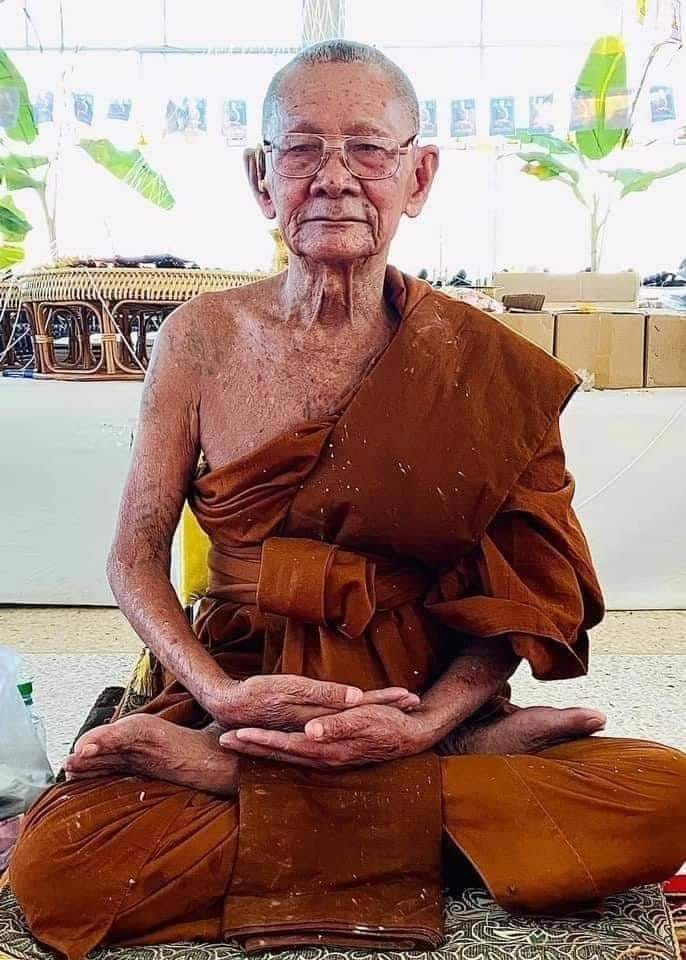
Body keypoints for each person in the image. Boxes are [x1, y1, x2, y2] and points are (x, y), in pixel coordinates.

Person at [10, 39, 686, 960]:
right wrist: (224, 701)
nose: (335, 177)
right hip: (243, 683)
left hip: (417, 695)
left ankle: (250, 784)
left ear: (419, 175)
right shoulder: (198, 340)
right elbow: (134, 557)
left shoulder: (483, 369)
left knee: (665, 797)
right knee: (62, 866)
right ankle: (434, 795)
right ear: (261, 178)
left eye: (368, 149)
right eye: (301, 149)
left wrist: (430, 725)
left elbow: (523, 601)